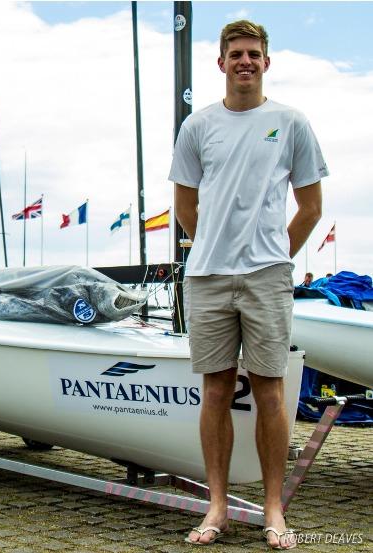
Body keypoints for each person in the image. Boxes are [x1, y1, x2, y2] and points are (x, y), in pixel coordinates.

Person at [169, 20, 327, 549]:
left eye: (253, 53)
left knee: (270, 393)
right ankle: (216, 506)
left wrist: (273, 254)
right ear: (221, 63)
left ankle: (273, 508)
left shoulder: (290, 123)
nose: (245, 61)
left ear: (266, 62)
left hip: (267, 276)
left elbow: (311, 208)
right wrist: (217, 243)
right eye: (235, 53)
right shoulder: (198, 127)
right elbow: (185, 207)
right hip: (209, 275)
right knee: (215, 389)